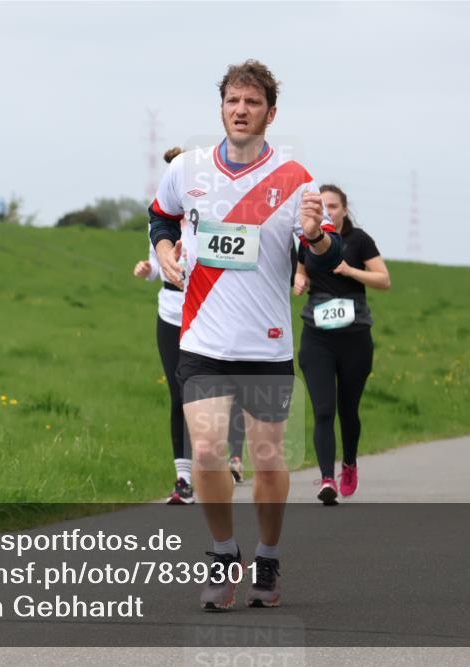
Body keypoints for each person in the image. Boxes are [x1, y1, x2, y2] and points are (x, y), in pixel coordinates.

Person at [149, 60, 342, 610]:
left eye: (252, 103)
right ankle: (222, 552)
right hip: (203, 342)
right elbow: (160, 217)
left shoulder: (295, 179)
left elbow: (326, 254)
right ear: (221, 108)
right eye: (233, 101)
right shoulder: (186, 169)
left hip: (266, 344)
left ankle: (270, 556)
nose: (241, 110)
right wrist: (165, 254)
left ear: (270, 113)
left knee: (267, 460)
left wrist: (314, 238)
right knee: (208, 452)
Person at [133, 148, 247, 504]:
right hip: (171, 313)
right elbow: (158, 265)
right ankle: (183, 479)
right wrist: (148, 269)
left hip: (210, 315)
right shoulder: (162, 225)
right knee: (179, 395)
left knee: (218, 394)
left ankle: (226, 459)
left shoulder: (211, 217)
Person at [293, 185, 390, 505]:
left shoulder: (359, 240)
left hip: (355, 335)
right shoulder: (306, 238)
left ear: (344, 209)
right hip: (317, 335)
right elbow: (299, 272)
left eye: (333, 206)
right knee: (323, 409)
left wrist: (350, 270)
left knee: (348, 410)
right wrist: (299, 280)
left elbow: (384, 280)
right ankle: (326, 479)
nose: (328, 211)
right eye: (322, 206)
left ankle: (349, 464)